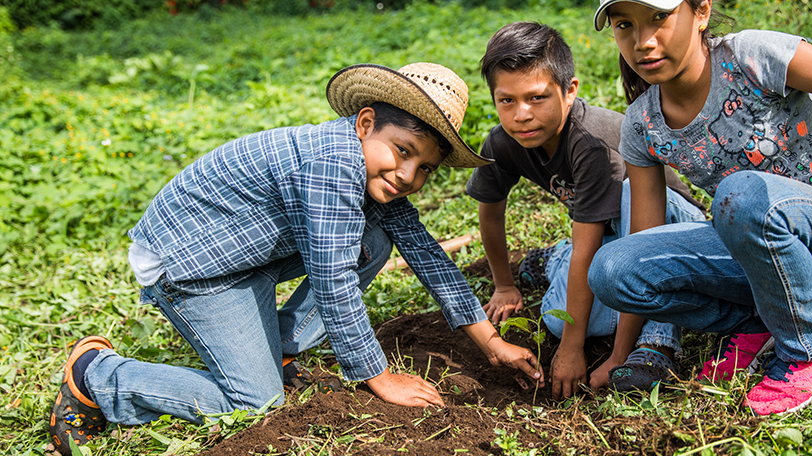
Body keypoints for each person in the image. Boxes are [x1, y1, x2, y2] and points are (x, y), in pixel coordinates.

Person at [48, 62, 544, 455]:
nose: (407, 174)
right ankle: (98, 376)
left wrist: (491, 342)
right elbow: (332, 279)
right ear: (365, 123)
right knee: (255, 403)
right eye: (401, 150)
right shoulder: (331, 161)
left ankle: (278, 346)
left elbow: (425, 253)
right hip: (191, 266)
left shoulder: (365, 167)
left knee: (377, 237)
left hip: (242, 254)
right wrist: (379, 376)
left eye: (425, 169)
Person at [588, 0, 812, 415]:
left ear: (701, 13)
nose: (643, 41)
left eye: (660, 18)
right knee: (612, 271)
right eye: (625, 25)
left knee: (740, 194)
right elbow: (646, 239)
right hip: (754, 254)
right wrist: (620, 354)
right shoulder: (643, 123)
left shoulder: (752, 56)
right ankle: (756, 325)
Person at [466, 21, 706, 399]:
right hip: (606, 235)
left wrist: (604, 353)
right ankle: (559, 259)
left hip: (671, 231)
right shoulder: (503, 142)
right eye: (506, 100)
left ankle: (655, 344)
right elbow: (490, 213)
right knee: (560, 322)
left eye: (537, 97)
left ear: (570, 90)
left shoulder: (591, 141)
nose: (521, 114)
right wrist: (504, 285)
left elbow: (615, 243)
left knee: (626, 203)